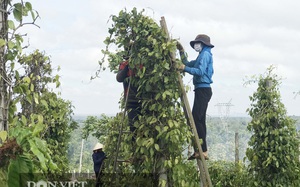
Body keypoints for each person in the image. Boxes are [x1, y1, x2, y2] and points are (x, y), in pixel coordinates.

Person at [177, 34, 214, 160]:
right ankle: (200, 150)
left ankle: (203, 150)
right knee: (199, 119)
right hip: (200, 89)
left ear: (203, 44)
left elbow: (200, 71)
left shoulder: (205, 54)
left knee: (197, 118)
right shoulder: (201, 56)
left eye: (198, 43)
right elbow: (187, 63)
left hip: (203, 89)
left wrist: (184, 68)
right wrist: (181, 52)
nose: (196, 45)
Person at [116, 56, 141, 142]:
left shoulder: (142, 63)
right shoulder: (123, 65)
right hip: (130, 101)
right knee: (133, 128)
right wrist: (127, 66)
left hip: (143, 101)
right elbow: (119, 78)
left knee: (146, 126)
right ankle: (135, 148)